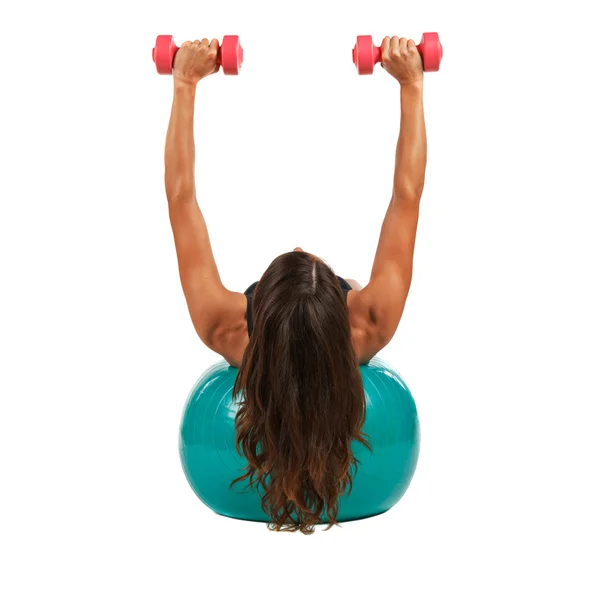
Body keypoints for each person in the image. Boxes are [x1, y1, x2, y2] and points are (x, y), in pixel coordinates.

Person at [164, 36, 427, 533]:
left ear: (254, 308)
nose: (303, 246)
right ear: (342, 309)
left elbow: (182, 199)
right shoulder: (369, 323)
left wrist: (184, 81)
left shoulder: (226, 328)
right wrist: (411, 84)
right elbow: (406, 196)